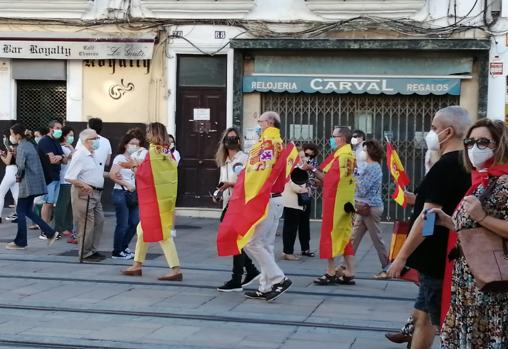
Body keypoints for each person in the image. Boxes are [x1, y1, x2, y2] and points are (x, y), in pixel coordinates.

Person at [387, 106, 472, 349]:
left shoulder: (446, 166)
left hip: (437, 256)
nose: (430, 133)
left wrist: (401, 257)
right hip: (446, 253)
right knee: (422, 316)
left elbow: (428, 217)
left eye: (434, 128)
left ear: (448, 132)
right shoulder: (463, 164)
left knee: (438, 322)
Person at [429, 119, 508, 349]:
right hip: (468, 280)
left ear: (500, 144)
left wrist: (482, 216)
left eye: (483, 142)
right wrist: (450, 222)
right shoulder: (482, 179)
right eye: (470, 142)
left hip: (491, 285)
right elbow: (478, 231)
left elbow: (484, 222)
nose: (474, 148)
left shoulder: (503, 182)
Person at [241, 111, 292, 301]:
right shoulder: (278, 143)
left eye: (260, 121)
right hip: (276, 198)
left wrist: (249, 194)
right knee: (265, 244)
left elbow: (258, 171)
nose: (258, 124)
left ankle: (279, 279)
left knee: (251, 242)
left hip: (266, 198)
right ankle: (265, 286)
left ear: (270, 122)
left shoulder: (268, 143)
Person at [121, 122, 182, 281]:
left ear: (154, 134)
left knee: (162, 233)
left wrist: (133, 167)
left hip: (155, 199)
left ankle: (175, 269)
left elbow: (145, 174)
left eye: (148, 132)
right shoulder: (167, 150)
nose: (146, 135)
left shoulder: (153, 152)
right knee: (142, 230)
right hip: (166, 197)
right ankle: (137, 265)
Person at [309, 127, 356, 285]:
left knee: (330, 235)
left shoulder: (342, 157)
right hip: (345, 201)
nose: (331, 139)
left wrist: (312, 169)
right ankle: (349, 271)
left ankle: (330, 271)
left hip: (335, 203)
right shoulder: (350, 155)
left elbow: (330, 179)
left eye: (333, 136)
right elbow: (336, 180)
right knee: (345, 237)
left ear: (341, 138)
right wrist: (322, 181)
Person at [216, 127, 260, 292]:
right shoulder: (225, 161)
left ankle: (237, 278)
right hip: (229, 203)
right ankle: (250, 269)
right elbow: (224, 181)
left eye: (234, 138)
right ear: (224, 142)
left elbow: (246, 182)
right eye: (229, 138)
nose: (231, 141)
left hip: (239, 203)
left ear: (239, 141)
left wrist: (230, 184)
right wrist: (220, 191)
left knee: (235, 239)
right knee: (234, 239)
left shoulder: (244, 158)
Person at [5, 123, 58, 250]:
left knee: (20, 212)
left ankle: (21, 242)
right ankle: (50, 233)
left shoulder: (23, 146)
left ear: (17, 135)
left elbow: (21, 166)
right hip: (35, 183)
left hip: (28, 184)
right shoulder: (30, 144)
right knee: (27, 211)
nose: (11, 136)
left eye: (12, 134)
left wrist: (17, 176)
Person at [65, 128, 106, 262]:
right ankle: (85, 253)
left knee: (99, 221)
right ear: (86, 141)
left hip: (96, 193)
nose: (97, 140)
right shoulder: (80, 154)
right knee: (86, 224)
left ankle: (92, 250)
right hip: (84, 194)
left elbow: (92, 172)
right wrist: (83, 184)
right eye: (95, 138)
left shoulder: (92, 153)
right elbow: (69, 177)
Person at [351, 139, 388, 278]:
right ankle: (344, 265)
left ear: (371, 152)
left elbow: (363, 189)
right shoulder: (367, 166)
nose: (362, 152)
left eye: (365, 150)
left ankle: (387, 268)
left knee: (377, 240)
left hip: (370, 208)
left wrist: (354, 178)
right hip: (364, 207)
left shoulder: (373, 167)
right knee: (353, 238)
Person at [109, 131, 143, 260]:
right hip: (121, 193)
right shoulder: (120, 158)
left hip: (134, 193)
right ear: (125, 145)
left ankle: (124, 246)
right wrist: (125, 183)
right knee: (122, 223)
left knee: (134, 222)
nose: (134, 146)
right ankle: (117, 251)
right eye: (132, 143)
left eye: (136, 144)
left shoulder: (134, 160)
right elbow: (112, 175)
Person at [37, 120, 65, 239]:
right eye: (57, 128)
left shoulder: (56, 142)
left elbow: (65, 160)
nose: (59, 130)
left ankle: (48, 229)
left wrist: (60, 157)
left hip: (56, 175)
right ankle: (45, 230)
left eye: (60, 128)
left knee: (51, 203)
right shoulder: (45, 141)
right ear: (51, 129)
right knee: (47, 203)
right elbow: (52, 160)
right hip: (47, 176)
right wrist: (60, 157)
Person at [281, 152, 311, 261]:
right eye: (301, 156)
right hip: (292, 203)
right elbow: (294, 185)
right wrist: (305, 190)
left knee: (290, 228)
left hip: (295, 203)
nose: (304, 158)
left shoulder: (298, 168)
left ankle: (287, 251)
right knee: (290, 229)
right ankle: (288, 252)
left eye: (304, 156)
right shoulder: (294, 168)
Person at [54, 126, 75, 240]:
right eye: (70, 135)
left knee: (69, 206)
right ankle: (58, 228)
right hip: (64, 180)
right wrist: (72, 149)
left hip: (70, 180)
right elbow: (73, 157)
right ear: (64, 136)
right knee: (62, 205)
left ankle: (67, 227)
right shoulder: (61, 148)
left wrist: (71, 147)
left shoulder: (67, 147)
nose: (71, 137)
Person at [0, 132, 19, 223]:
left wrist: (1, 156)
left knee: (0, 194)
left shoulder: (11, 147)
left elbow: (7, 162)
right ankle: (19, 216)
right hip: (17, 171)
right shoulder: (19, 146)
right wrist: (4, 155)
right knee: (16, 195)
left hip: (10, 171)